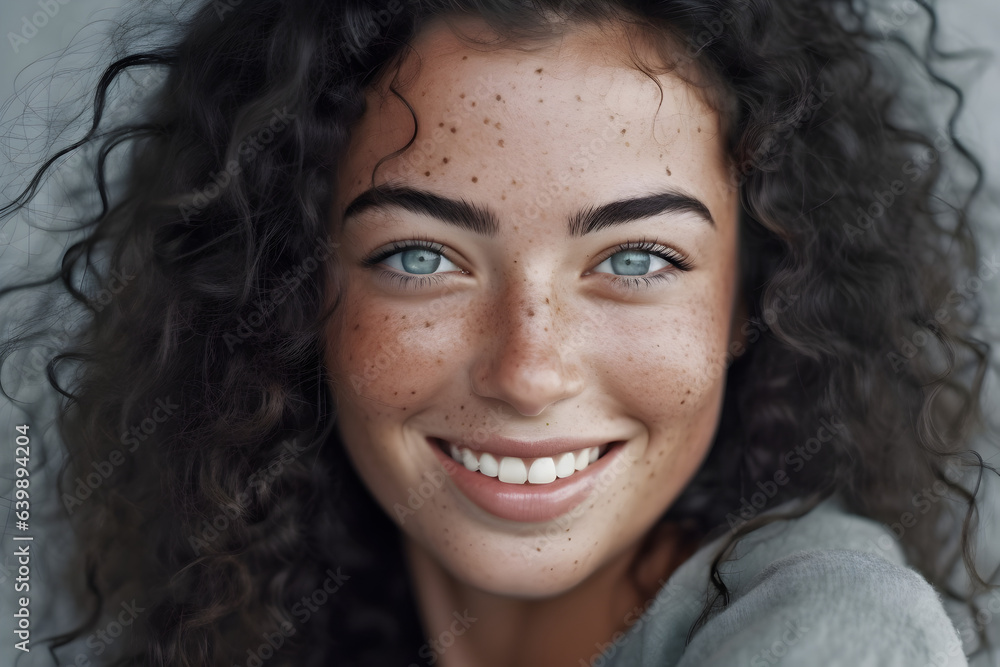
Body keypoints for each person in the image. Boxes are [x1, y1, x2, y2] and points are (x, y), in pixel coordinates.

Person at [0, 0, 997, 665]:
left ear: (751, 299)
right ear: (295, 295)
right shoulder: (281, 619)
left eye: (635, 260)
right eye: (419, 257)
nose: (528, 370)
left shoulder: (835, 624)